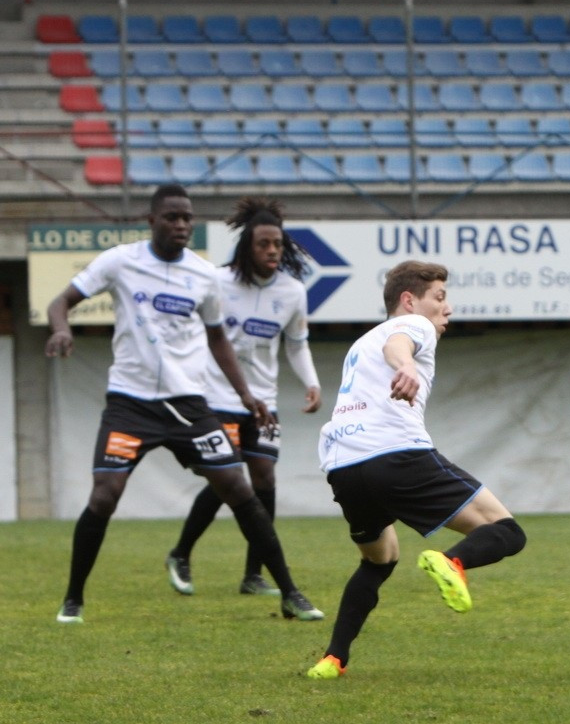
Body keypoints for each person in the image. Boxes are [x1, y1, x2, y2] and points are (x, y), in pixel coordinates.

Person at [47, 184, 323, 624]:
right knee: (105, 495)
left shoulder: (203, 275)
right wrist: (61, 329)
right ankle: (73, 600)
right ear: (152, 220)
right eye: (172, 217)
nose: (181, 225)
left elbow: (218, 340)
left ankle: (289, 592)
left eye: (187, 219)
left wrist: (246, 395)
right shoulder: (121, 261)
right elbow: (62, 301)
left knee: (240, 488)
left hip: (189, 406)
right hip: (130, 404)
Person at [307, 261, 527, 679]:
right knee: (506, 532)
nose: (448, 310)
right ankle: (453, 563)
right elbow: (401, 345)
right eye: (440, 298)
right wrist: (406, 366)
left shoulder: (361, 342)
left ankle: (333, 659)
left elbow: (391, 347)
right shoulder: (414, 325)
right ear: (409, 300)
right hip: (394, 455)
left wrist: (402, 361)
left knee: (378, 560)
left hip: (344, 467)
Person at [165, 197, 322, 597]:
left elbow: (297, 344)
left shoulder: (291, 291)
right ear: (246, 247)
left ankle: (254, 574)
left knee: (264, 478)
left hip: (263, 401)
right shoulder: (216, 282)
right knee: (227, 479)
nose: (272, 251)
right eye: (263, 244)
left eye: (278, 244)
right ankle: (180, 554)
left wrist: (312, 382)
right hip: (216, 396)